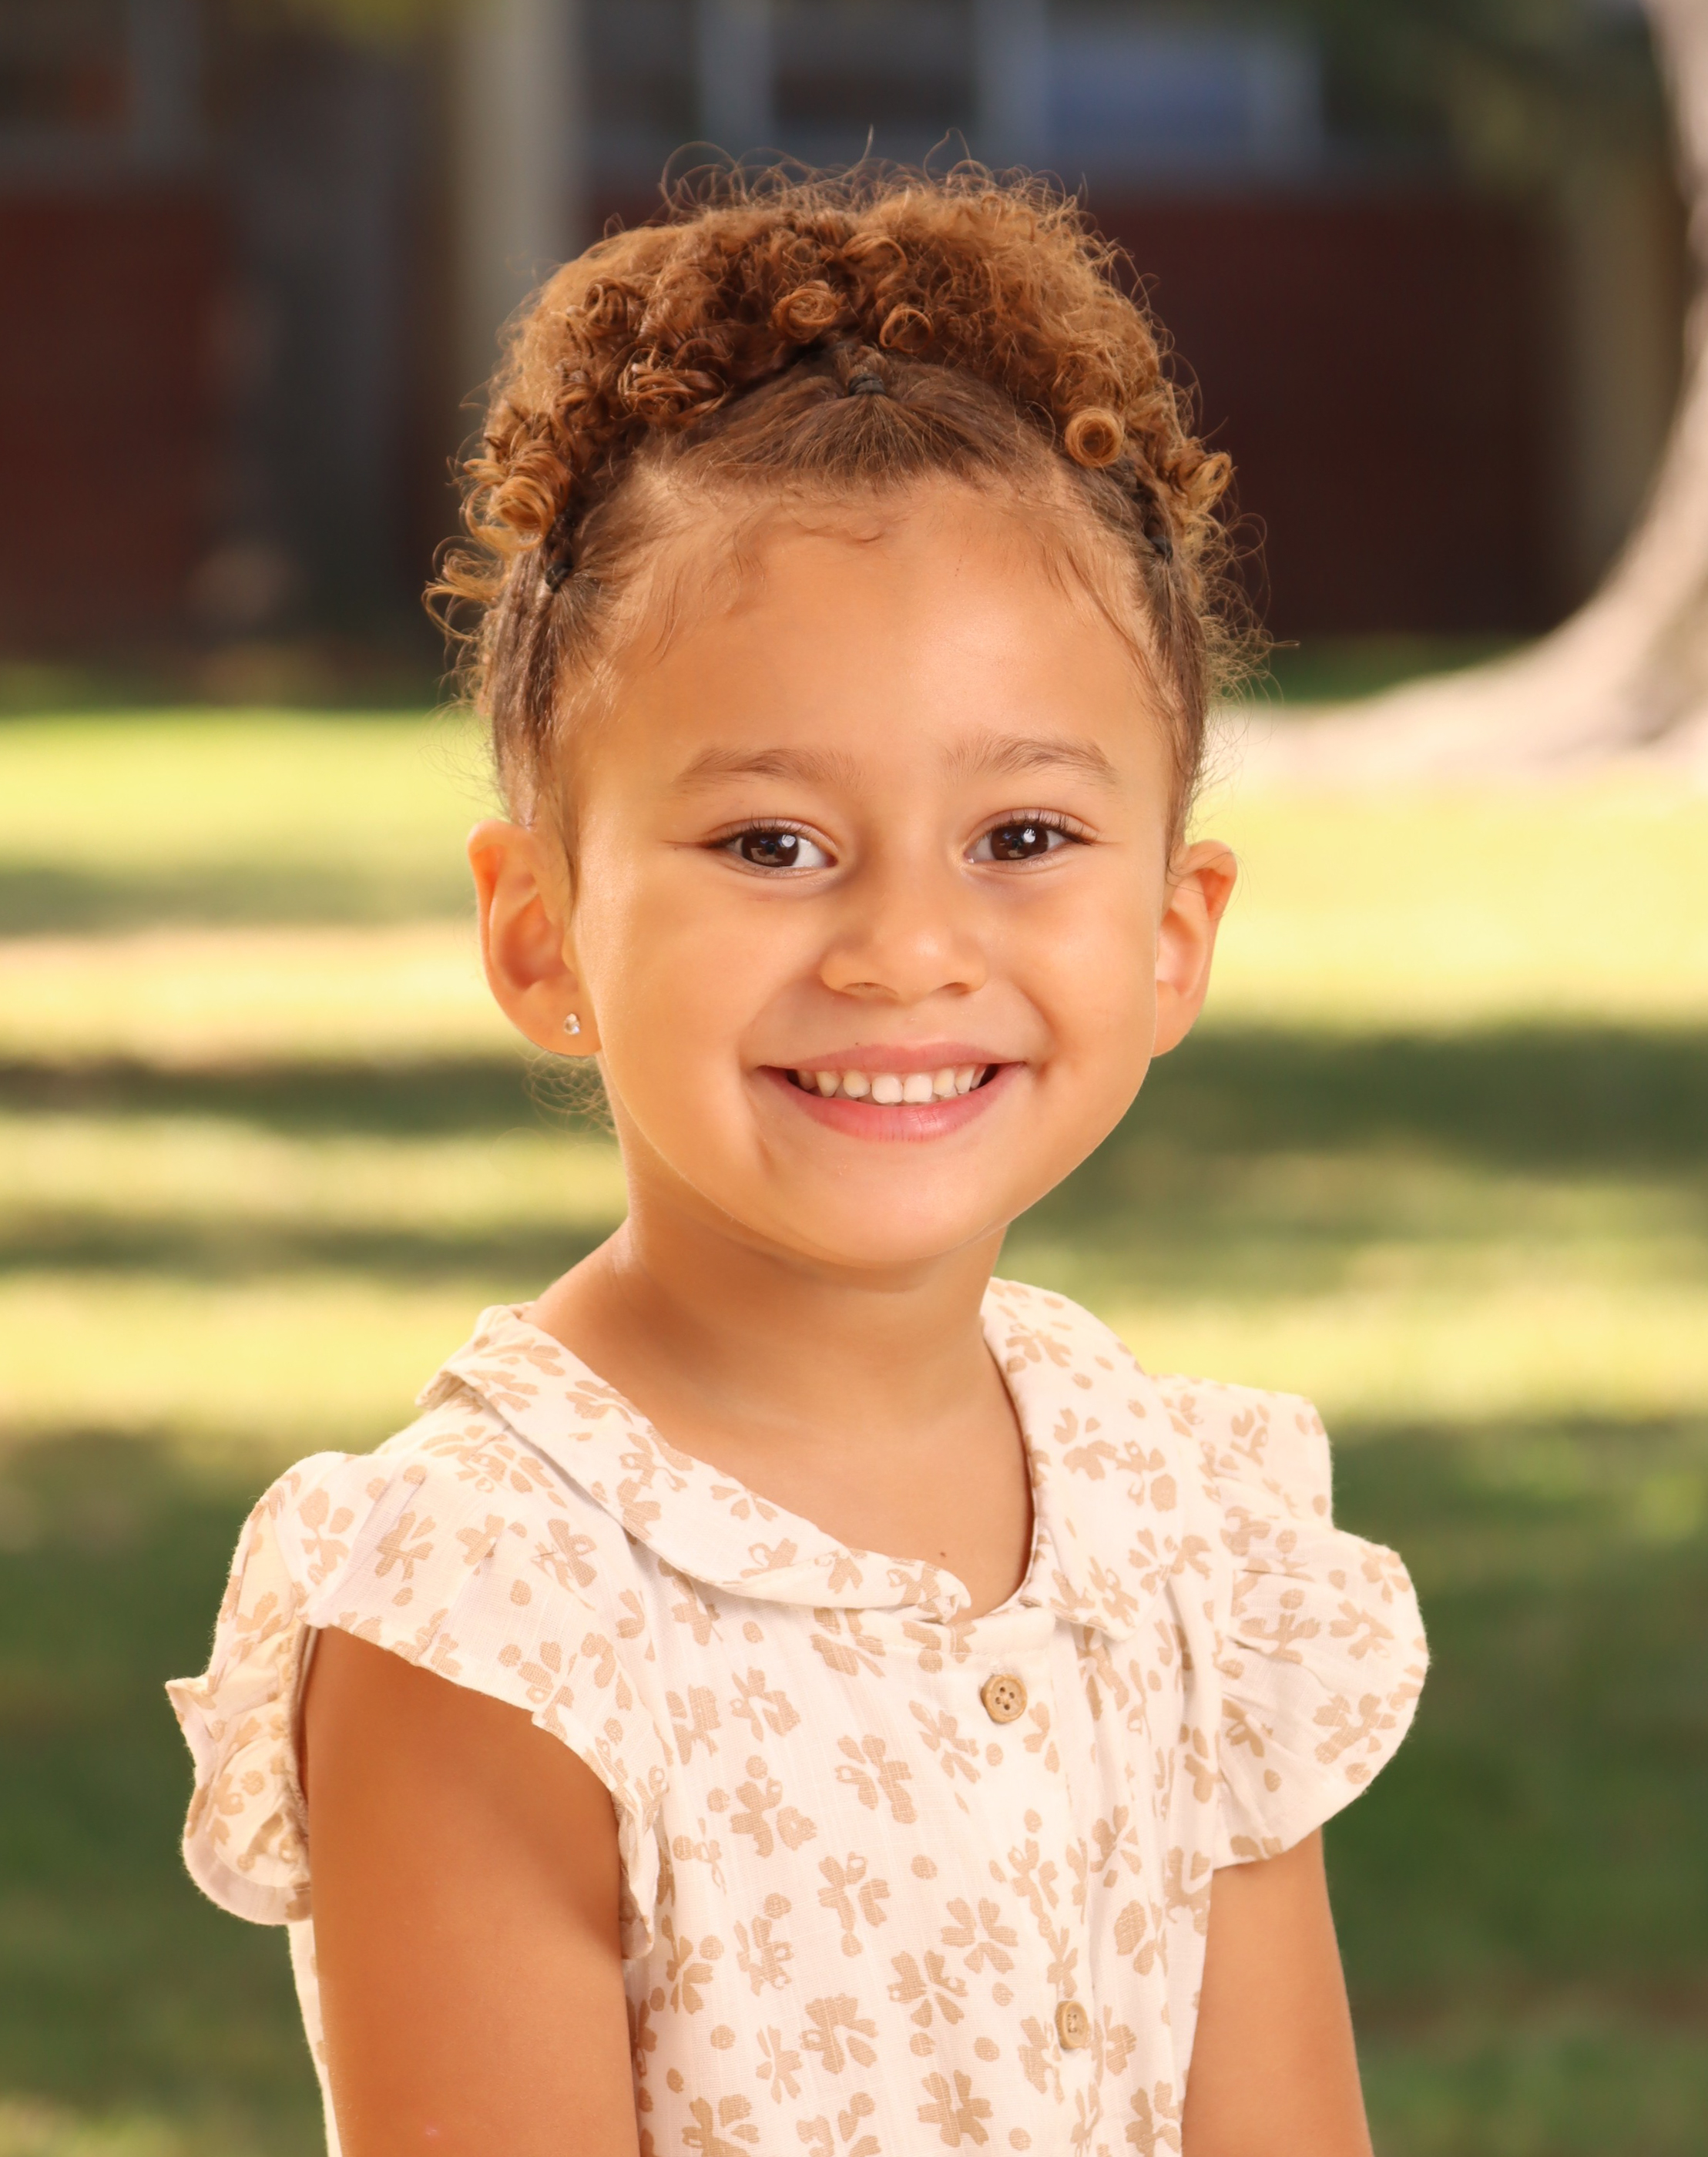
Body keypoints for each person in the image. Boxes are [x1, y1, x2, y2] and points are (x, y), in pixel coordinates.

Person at [169, 167, 1425, 2157]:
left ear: (1174, 939)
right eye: (773, 843)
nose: (906, 949)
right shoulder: (491, 1614)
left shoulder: (1184, 1527)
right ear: (541, 936)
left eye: (1022, 839)